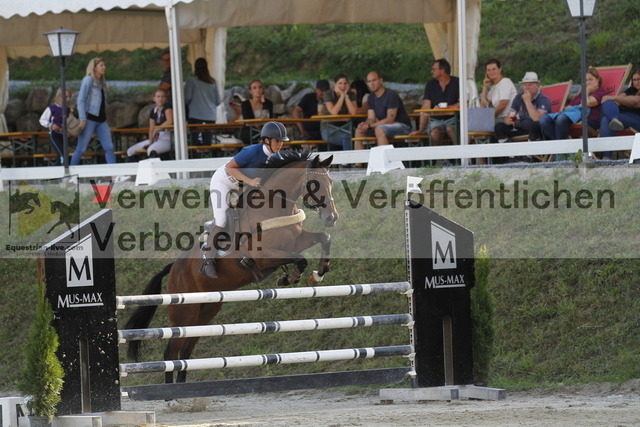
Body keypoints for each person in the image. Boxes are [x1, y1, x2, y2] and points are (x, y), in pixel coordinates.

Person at [202, 121, 288, 278]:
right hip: (223, 181)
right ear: (266, 140)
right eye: (277, 141)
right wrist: (250, 181)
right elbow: (229, 168)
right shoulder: (251, 151)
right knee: (221, 218)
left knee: (252, 212)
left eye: (282, 141)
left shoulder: (277, 158)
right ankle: (208, 259)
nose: (280, 145)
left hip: (243, 187)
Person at [540, 68, 608, 141]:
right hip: (573, 118)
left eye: (590, 79)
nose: (587, 82)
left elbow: (587, 103)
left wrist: (587, 91)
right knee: (544, 120)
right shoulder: (580, 95)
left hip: (589, 120)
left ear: (597, 79)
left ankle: (560, 146)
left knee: (561, 119)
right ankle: (559, 144)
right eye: (586, 80)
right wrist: (579, 104)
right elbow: (568, 108)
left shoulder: (601, 93)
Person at [72, 57, 116, 165]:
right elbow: (81, 99)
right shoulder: (88, 80)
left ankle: (114, 172)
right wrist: (82, 118)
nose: (104, 67)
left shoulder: (102, 82)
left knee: (109, 147)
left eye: (104, 65)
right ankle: (70, 172)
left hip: (101, 120)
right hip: (89, 119)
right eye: (101, 65)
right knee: (81, 148)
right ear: (94, 67)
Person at [354, 71, 412, 149]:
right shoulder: (371, 97)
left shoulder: (391, 94)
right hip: (383, 126)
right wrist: (364, 125)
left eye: (374, 80)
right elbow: (371, 118)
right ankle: (359, 157)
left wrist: (369, 126)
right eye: (369, 81)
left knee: (379, 130)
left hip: (402, 126)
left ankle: (383, 157)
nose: (372, 83)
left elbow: (390, 120)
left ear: (381, 80)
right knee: (359, 131)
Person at [410, 58, 460, 146]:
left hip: (454, 119)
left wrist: (445, 108)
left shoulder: (457, 82)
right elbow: (426, 107)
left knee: (451, 129)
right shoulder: (430, 84)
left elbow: (463, 102)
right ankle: (437, 155)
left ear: (442, 70)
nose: (431, 71)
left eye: (434, 69)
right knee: (435, 132)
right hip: (436, 120)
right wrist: (420, 130)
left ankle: (461, 153)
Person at [494, 72, 551, 143]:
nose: (527, 88)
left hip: (538, 131)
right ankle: (508, 148)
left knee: (536, 124)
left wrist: (527, 101)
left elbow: (537, 119)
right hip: (522, 129)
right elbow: (511, 116)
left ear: (537, 85)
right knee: (499, 127)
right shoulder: (518, 97)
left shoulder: (543, 99)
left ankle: (530, 148)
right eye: (525, 85)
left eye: (529, 85)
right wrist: (508, 120)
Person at [598, 68, 640, 159]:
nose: (636, 82)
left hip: (637, 120)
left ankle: (606, 156)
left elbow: (635, 101)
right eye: (634, 80)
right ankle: (614, 119)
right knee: (607, 108)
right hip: (624, 118)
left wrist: (614, 98)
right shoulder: (631, 90)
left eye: (639, 79)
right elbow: (616, 101)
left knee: (607, 114)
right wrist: (611, 100)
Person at [126, 88, 173, 158]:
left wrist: (157, 129)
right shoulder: (153, 111)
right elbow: (151, 129)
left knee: (151, 150)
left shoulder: (167, 107)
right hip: (158, 138)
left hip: (168, 138)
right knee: (130, 151)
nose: (160, 99)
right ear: (154, 99)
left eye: (163, 97)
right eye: (158, 97)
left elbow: (169, 121)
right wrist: (151, 142)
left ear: (166, 99)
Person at [185, 57, 221, 145]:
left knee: (194, 141)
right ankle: (208, 153)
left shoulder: (191, 80)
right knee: (208, 141)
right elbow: (218, 101)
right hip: (210, 115)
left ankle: (196, 154)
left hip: (195, 114)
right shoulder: (212, 82)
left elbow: (187, 97)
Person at [322, 74, 358, 150]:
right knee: (347, 137)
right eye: (340, 83)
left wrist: (346, 96)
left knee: (357, 135)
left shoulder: (351, 94)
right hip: (328, 127)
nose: (343, 86)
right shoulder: (328, 94)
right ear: (335, 85)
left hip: (345, 126)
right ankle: (348, 158)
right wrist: (342, 96)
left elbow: (353, 112)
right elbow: (334, 112)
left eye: (345, 83)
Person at [39, 88, 73, 166]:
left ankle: (54, 167)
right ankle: (61, 167)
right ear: (59, 97)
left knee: (63, 154)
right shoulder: (52, 108)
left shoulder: (67, 110)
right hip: (54, 135)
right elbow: (42, 120)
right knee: (62, 155)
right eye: (66, 97)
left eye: (69, 97)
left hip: (63, 135)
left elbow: (68, 122)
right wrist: (50, 125)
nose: (68, 99)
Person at [480, 59, 517, 123]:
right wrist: (484, 87)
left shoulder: (505, 82)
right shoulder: (493, 87)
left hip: (510, 119)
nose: (491, 72)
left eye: (494, 69)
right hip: (500, 119)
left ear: (499, 70)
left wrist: (488, 117)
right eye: (489, 70)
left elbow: (503, 104)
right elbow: (483, 107)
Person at [240, 79, 274, 144]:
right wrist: (260, 123)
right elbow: (247, 122)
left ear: (263, 89)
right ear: (250, 91)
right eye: (255, 88)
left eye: (260, 87)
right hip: (249, 131)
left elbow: (269, 118)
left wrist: (264, 103)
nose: (258, 90)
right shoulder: (245, 104)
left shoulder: (268, 103)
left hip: (265, 130)